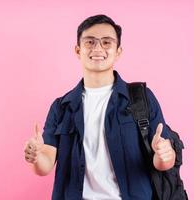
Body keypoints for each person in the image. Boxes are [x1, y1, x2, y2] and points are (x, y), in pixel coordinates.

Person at [24, 14, 176, 200]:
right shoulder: (61, 107)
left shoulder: (140, 98)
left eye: (106, 42)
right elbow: (44, 165)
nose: (98, 48)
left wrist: (164, 154)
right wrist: (36, 156)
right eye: (90, 42)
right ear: (77, 50)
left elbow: (164, 162)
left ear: (118, 51)